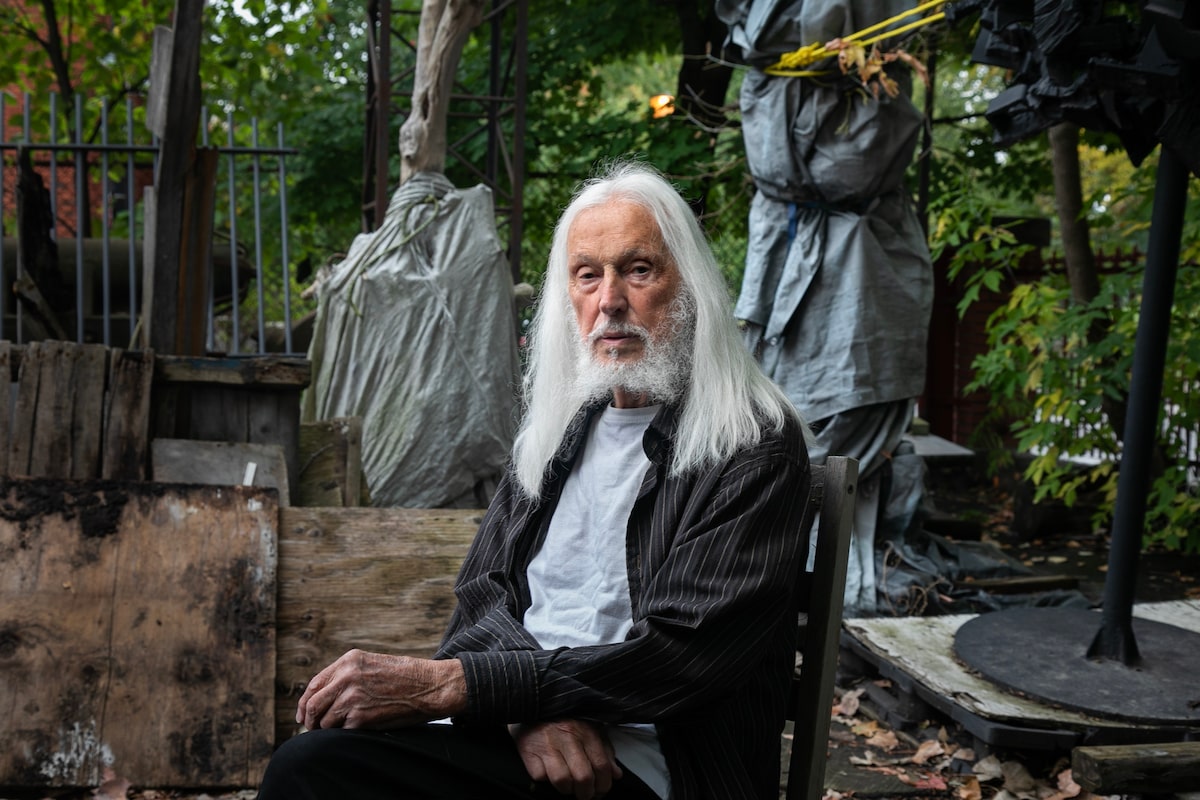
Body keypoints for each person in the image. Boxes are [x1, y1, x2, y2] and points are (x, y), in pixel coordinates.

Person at [257, 160, 812, 800]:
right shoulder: (558, 433)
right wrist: (524, 713)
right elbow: (482, 596)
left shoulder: (750, 442)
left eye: (638, 270)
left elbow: (681, 657)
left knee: (311, 774)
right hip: (524, 736)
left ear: (689, 287)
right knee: (314, 761)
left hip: (654, 768)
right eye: (587, 275)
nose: (609, 301)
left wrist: (458, 687)